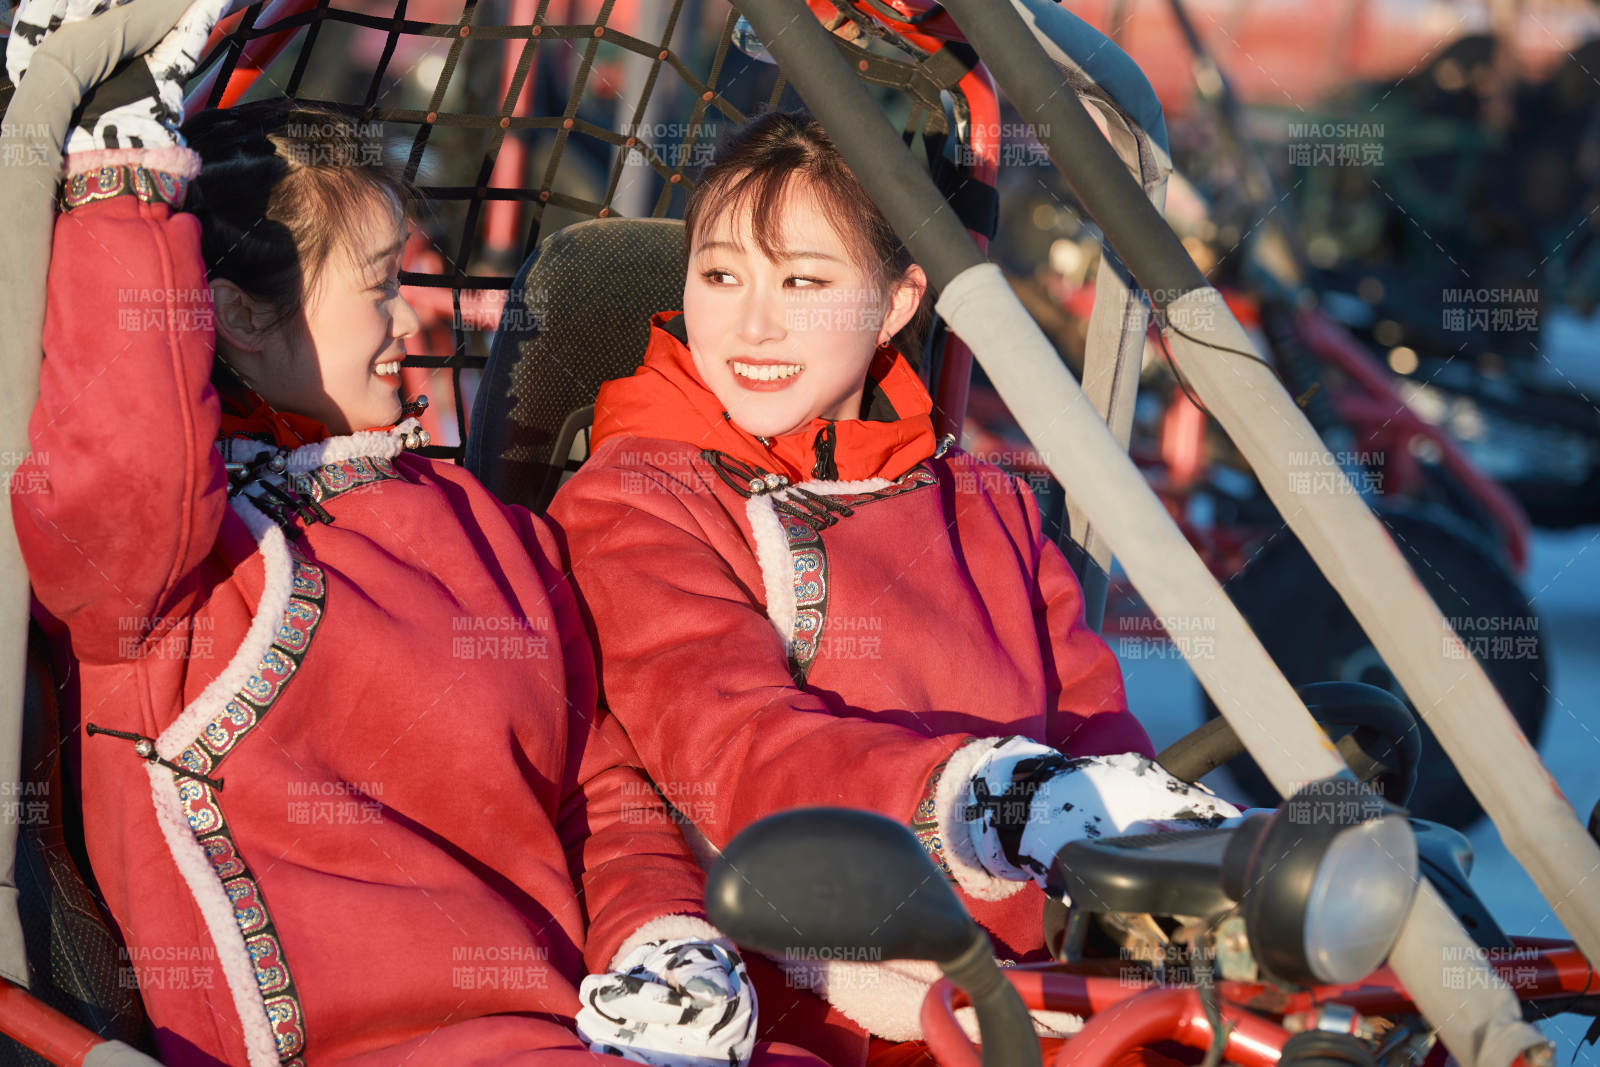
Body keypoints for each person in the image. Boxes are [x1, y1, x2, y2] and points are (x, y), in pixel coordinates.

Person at [5, 5, 820, 1064]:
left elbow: (597, 782)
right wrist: (123, 170)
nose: (408, 321)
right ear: (240, 316)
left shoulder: (489, 531)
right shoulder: (178, 569)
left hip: (574, 1034)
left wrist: (662, 934)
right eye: (381, 287)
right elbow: (121, 460)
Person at [547, 111, 1238, 1062]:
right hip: (827, 997)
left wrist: (1145, 858)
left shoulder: (982, 498)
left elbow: (1090, 724)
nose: (752, 321)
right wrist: (991, 798)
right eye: (721, 275)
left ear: (896, 302)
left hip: (1051, 988)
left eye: (804, 281)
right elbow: (732, 748)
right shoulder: (640, 498)